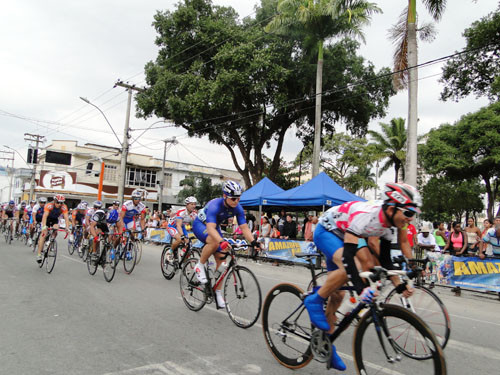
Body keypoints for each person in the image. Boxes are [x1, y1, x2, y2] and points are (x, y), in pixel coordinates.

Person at [303, 182, 419, 372]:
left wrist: (399, 287)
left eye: (413, 213)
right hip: (327, 230)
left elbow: (385, 261)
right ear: (391, 208)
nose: (411, 219)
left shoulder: (389, 226)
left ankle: (326, 343)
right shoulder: (367, 216)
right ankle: (315, 300)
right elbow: (349, 257)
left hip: (343, 234)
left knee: (338, 296)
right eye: (408, 213)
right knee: (353, 266)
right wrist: (361, 289)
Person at [192, 180, 260, 308]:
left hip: (214, 227)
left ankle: (217, 292)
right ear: (225, 196)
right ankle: (199, 265)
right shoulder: (215, 205)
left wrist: (254, 241)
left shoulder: (237, 208)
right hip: (201, 225)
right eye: (233, 198)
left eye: (238, 198)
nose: (236, 201)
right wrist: (222, 241)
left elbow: (244, 228)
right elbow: (211, 229)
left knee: (222, 261)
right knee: (213, 241)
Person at [36, 195, 70, 263]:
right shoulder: (49, 205)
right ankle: (39, 255)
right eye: (58, 202)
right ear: (54, 201)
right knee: (44, 234)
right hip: (47, 219)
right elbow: (44, 216)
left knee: (56, 230)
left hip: (54, 220)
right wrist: (44, 227)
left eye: (61, 203)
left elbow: (66, 218)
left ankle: (50, 242)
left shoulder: (64, 207)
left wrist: (67, 228)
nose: (59, 204)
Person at [166, 196, 197, 261]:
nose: (194, 206)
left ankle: (183, 257)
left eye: (195, 204)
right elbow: (178, 225)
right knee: (179, 239)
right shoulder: (181, 211)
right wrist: (183, 236)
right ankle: (170, 252)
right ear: (187, 205)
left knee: (188, 243)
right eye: (192, 204)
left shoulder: (194, 214)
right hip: (172, 226)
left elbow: (197, 225)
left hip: (181, 227)